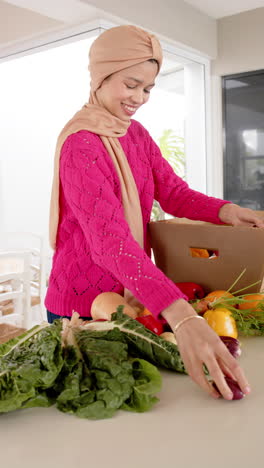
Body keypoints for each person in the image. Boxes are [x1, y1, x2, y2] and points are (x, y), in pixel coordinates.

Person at [45, 25, 264, 401]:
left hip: (133, 297)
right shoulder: (80, 146)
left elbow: (174, 193)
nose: (140, 98)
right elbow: (110, 243)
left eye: (147, 89)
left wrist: (228, 212)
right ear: (101, 76)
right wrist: (182, 317)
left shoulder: (136, 135)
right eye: (131, 84)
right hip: (80, 309)